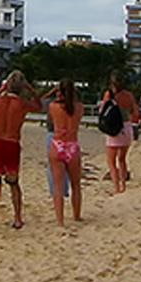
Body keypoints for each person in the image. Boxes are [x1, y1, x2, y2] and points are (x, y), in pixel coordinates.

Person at [0, 71, 40, 231]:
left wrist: (0, 90)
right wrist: (31, 90)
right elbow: (39, 106)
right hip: (12, 143)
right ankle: (18, 218)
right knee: (13, 183)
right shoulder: (22, 104)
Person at [46, 79, 85, 224]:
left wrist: (52, 92)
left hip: (58, 145)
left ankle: (60, 220)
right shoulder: (79, 107)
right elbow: (76, 104)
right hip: (72, 146)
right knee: (76, 185)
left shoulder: (53, 107)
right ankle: (76, 215)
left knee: (58, 187)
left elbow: (42, 100)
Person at [98, 72, 141, 194]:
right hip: (126, 127)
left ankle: (116, 187)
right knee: (122, 159)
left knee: (111, 161)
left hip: (114, 128)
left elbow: (103, 110)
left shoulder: (110, 95)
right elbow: (135, 112)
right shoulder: (129, 95)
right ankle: (123, 186)